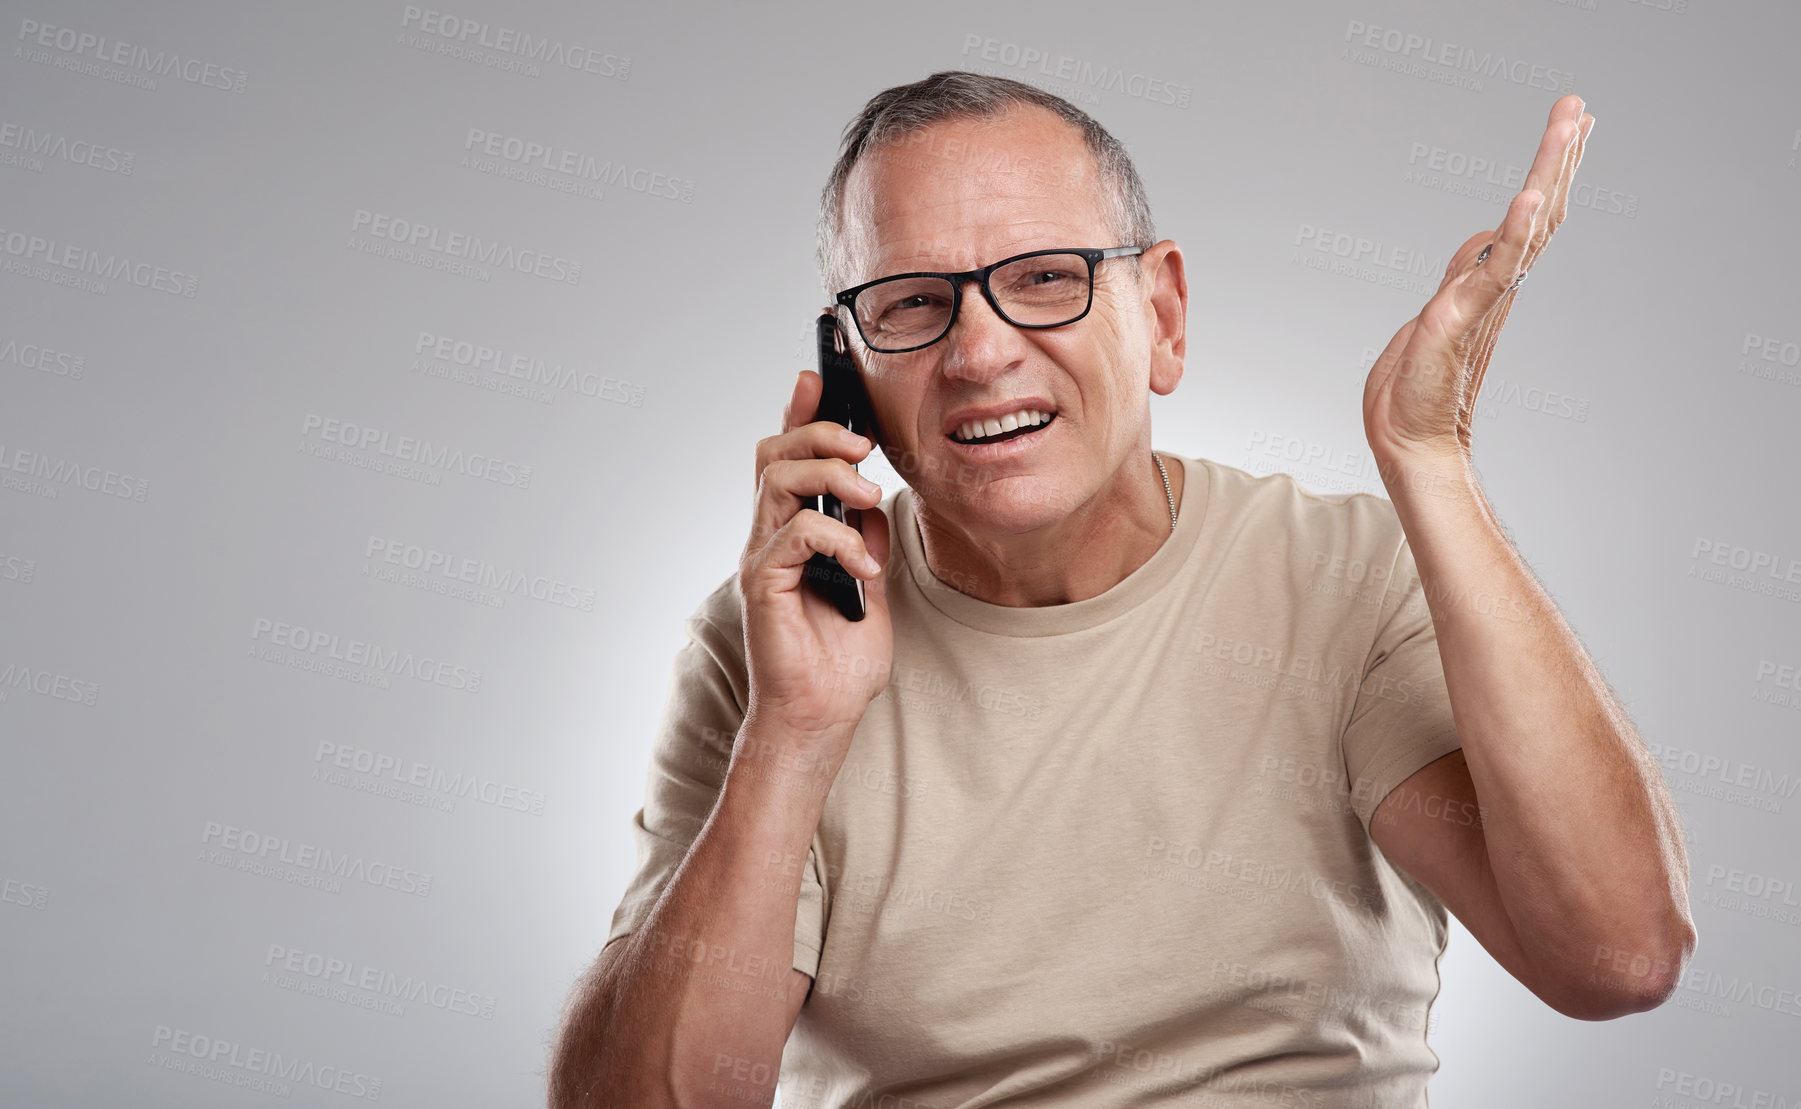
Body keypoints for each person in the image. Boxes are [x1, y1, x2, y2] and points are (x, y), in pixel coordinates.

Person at [549, 71, 1695, 1109]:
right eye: (909, 302)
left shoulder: (1340, 580)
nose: (980, 352)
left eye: (1043, 279)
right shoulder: (771, 643)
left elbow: (1615, 956)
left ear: (1161, 314)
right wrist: (794, 730)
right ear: (847, 367)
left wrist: (1431, 463)